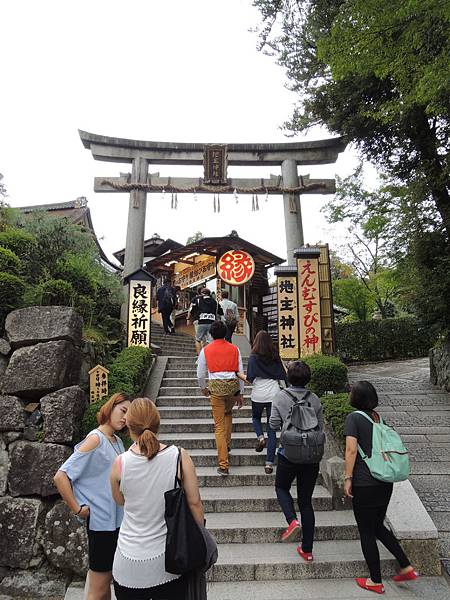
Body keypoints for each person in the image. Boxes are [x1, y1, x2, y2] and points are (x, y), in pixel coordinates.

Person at [110, 398, 204, 600]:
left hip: (127, 563)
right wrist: (201, 536)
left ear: (128, 424)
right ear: (158, 423)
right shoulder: (179, 456)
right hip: (168, 560)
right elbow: (195, 502)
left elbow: (120, 501)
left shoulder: (120, 463)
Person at [54, 393, 131, 600]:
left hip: (115, 522)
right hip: (101, 524)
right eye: (122, 411)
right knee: (98, 589)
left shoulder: (116, 441)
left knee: (105, 584)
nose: (125, 418)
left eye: (129, 415)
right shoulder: (96, 439)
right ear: (111, 407)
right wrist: (77, 508)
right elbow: (61, 476)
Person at [344, 381, 418, 594]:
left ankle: (375, 581)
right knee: (377, 526)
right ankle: (406, 566)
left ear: (356, 398)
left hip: (365, 482)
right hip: (384, 482)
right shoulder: (377, 417)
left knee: (366, 531)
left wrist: (348, 478)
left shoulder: (354, 418)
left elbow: (351, 450)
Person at [270, 361, 323, 561]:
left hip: (288, 453)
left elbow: (274, 424)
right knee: (306, 502)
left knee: (282, 488)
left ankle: (292, 521)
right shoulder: (315, 399)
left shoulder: (280, 397)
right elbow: (320, 427)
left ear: (288, 377)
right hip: (311, 455)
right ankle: (307, 550)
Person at [197, 320, 244, 475]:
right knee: (228, 413)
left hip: (216, 389)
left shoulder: (206, 350)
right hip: (232, 387)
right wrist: (241, 393)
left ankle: (223, 464)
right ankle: (227, 443)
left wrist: (204, 388)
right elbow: (240, 371)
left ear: (211, 333)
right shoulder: (235, 349)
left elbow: (200, 373)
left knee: (218, 426)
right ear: (225, 333)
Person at [246, 331, 287, 474]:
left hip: (258, 393)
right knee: (272, 429)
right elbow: (283, 375)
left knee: (256, 417)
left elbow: (250, 378)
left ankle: (260, 437)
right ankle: (269, 464)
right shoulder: (275, 356)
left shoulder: (253, 357)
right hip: (273, 393)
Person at [190, 287, 223, 355]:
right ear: (209, 294)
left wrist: (191, 317)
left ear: (202, 293)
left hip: (201, 322)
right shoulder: (215, 302)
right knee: (210, 341)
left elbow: (192, 310)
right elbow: (221, 312)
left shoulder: (198, 300)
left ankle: (200, 356)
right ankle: (209, 356)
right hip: (212, 323)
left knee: (198, 340)